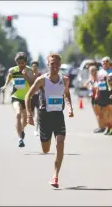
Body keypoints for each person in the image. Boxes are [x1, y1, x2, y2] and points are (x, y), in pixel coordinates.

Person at [25, 53, 74, 188]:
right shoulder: (42, 80)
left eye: (57, 64)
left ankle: (55, 176)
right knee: (46, 149)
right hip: (44, 117)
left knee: (60, 143)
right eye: (52, 64)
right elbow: (28, 96)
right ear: (48, 65)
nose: (55, 66)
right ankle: (47, 140)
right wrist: (29, 115)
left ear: (60, 65)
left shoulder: (64, 80)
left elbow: (67, 95)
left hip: (58, 116)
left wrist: (70, 108)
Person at [0, 52, 34, 147]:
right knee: (18, 114)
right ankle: (20, 138)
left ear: (25, 62)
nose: (21, 65)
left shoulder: (29, 70)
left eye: (22, 63)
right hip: (16, 97)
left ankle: (21, 130)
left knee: (25, 120)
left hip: (27, 98)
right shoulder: (12, 70)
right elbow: (9, 76)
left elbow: (32, 83)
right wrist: (5, 85)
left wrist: (26, 76)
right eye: (19, 63)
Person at [30, 61, 41, 136]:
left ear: (37, 67)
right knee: (32, 114)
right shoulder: (29, 75)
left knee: (38, 114)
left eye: (35, 66)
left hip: (38, 96)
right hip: (31, 96)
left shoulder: (40, 75)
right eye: (33, 66)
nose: (34, 68)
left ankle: (36, 129)